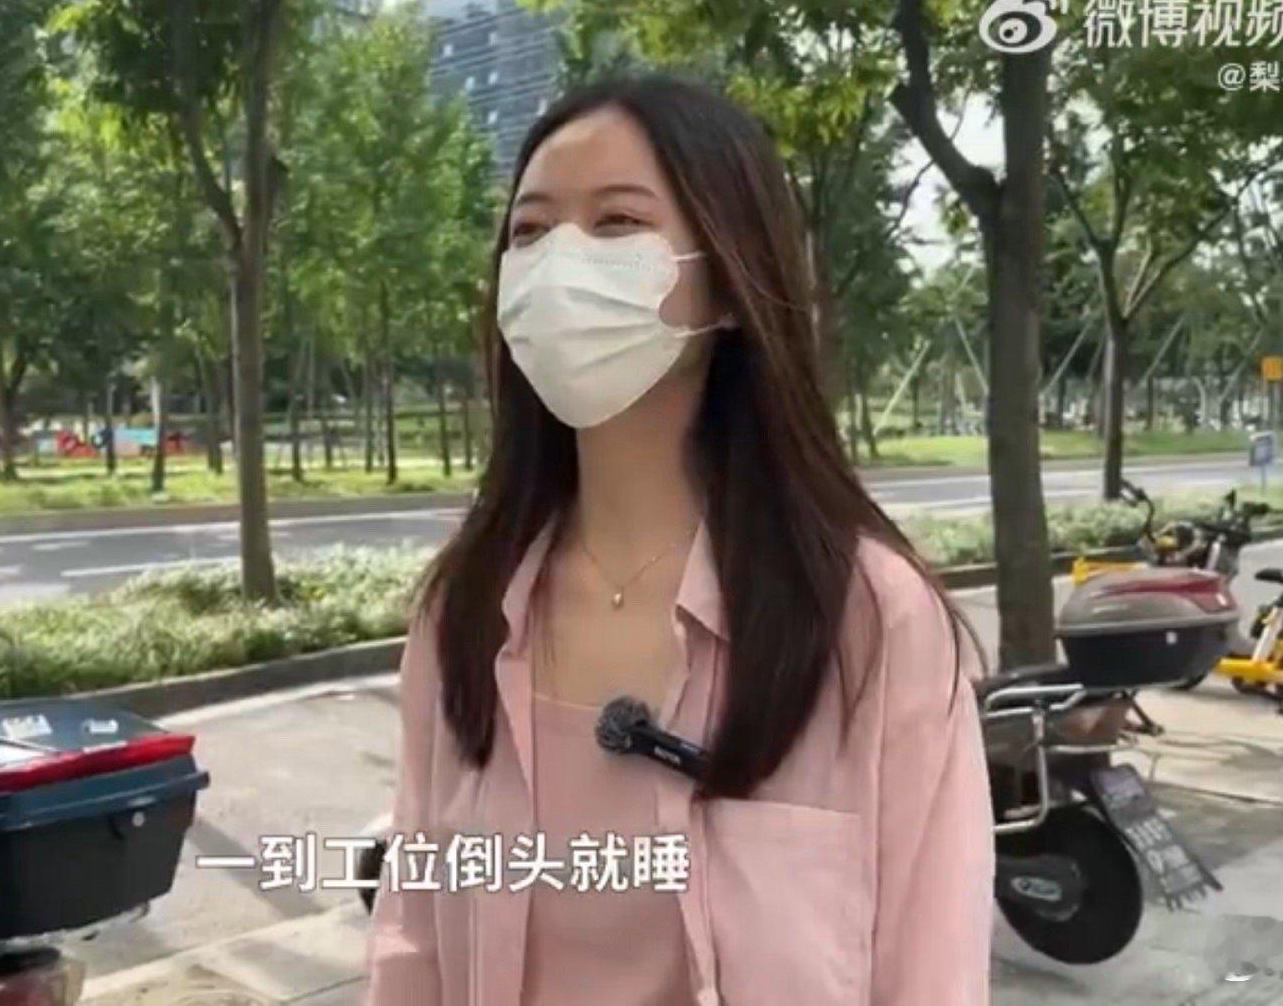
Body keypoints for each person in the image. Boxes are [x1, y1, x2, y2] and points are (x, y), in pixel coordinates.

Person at [363, 75, 994, 1006]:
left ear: (732, 282)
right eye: (529, 232)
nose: (559, 263)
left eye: (617, 222)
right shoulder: (465, 608)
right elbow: (412, 941)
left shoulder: (868, 619)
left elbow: (930, 975)